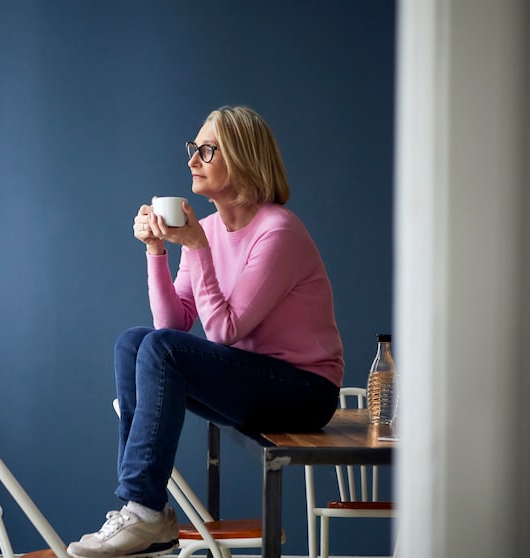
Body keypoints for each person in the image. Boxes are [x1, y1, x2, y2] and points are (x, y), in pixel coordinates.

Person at [67, 105, 344, 558]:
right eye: (192, 149)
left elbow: (224, 332)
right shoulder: (209, 229)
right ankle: (143, 510)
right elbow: (171, 326)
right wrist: (156, 251)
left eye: (206, 150)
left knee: (157, 349)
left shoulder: (277, 232)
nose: (192, 160)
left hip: (304, 392)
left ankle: (144, 511)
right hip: (253, 378)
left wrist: (196, 247)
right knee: (133, 343)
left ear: (242, 158)